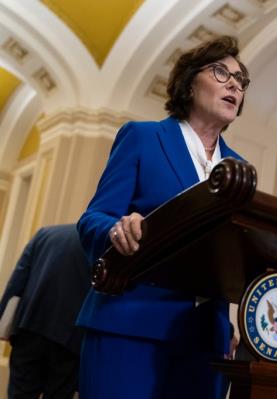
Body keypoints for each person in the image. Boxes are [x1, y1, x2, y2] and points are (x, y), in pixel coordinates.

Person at [77, 36, 249, 398]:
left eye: (241, 79)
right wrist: (116, 230)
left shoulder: (240, 170)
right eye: (222, 72)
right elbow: (94, 217)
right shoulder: (143, 138)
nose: (235, 84)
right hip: (131, 324)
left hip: (206, 339)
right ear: (189, 82)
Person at [0, 224, 90, 399]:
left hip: (29, 328)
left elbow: (17, 282)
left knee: (20, 394)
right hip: (71, 340)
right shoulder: (101, 247)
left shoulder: (46, 234)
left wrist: (3, 324)